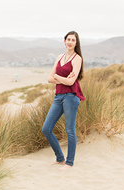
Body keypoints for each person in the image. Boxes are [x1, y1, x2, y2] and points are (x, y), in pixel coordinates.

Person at [42, 31, 85, 170]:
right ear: (64, 41)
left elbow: (72, 81)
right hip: (58, 96)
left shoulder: (77, 59)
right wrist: (64, 79)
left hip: (71, 97)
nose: (70, 42)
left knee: (70, 130)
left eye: (73, 40)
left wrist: (58, 77)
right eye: (68, 39)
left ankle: (69, 162)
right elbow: (49, 79)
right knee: (46, 129)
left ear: (76, 43)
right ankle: (60, 158)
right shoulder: (60, 57)